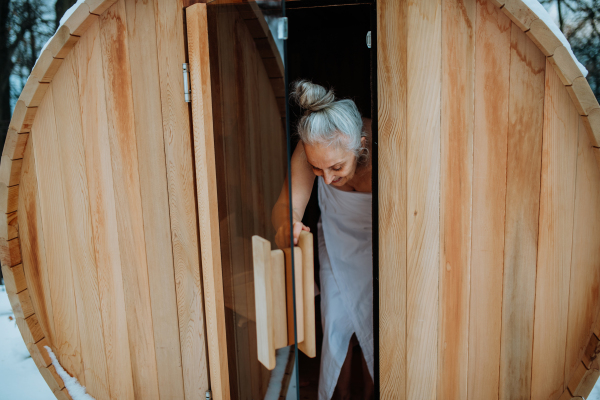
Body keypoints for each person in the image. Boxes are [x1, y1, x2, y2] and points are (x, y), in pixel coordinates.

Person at [271, 80, 374, 399]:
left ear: (360, 143)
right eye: (317, 169)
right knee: (335, 322)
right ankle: (338, 393)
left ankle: (374, 392)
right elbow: (288, 205)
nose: (327, 179)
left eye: (336, 167)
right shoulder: (309, 147)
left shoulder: (388, 148)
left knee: (377, 324)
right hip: (335, 238)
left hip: (381, 249)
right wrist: (286, 227)